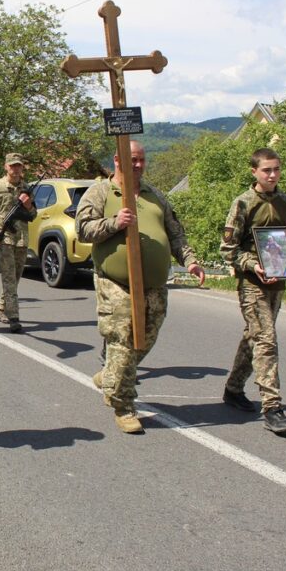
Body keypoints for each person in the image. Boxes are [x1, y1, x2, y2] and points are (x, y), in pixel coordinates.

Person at [76, 140, 205, 434]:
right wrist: (114, 223)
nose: (137, 165)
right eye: (131, 159)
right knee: (123, 334)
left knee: (147, 336)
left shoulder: (155, 195)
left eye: (141, 160)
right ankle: (124, 405)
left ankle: (111, 373)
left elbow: (175, 235)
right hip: (115, 281)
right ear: (117, 160)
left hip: (154, 283)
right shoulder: (100, 192)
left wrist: (191, 261)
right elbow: (83, 230)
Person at [220, 147, 286, 435]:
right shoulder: (243, 203)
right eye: (267, 170)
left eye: (277, 169)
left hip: (277, 282)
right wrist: (252, 265)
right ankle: (272, 407)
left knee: (254, 336)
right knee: (266, 339)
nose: (272, 175)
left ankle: (233, 389)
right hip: (252, 283)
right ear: (254, 171)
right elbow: (228, 249)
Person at [0, 153, 37, 333]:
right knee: (9, 279)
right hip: (3, 239)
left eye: (18, 166)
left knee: (16, 278)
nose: (15, 169)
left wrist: (28, 206)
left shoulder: (27, 188)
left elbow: (33, 215)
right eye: (12, 166)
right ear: (6, 167)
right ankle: (14, 317)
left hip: (21, 240)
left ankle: (1, 308)